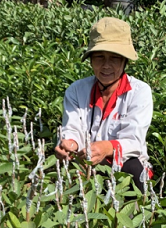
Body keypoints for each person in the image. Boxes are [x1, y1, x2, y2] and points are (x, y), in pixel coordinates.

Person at [54, 17, 153, 190]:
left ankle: (140, 209)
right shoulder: (76, 90)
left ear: (124, 61)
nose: (106, 65)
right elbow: (72, 129)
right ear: (91, 60)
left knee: (133, 166)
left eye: (114, 58)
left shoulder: (139, 92)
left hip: (124, 168)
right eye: (99, 57)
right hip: (85, 165)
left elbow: (134, 140)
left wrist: (107, 148)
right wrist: (70, 144)